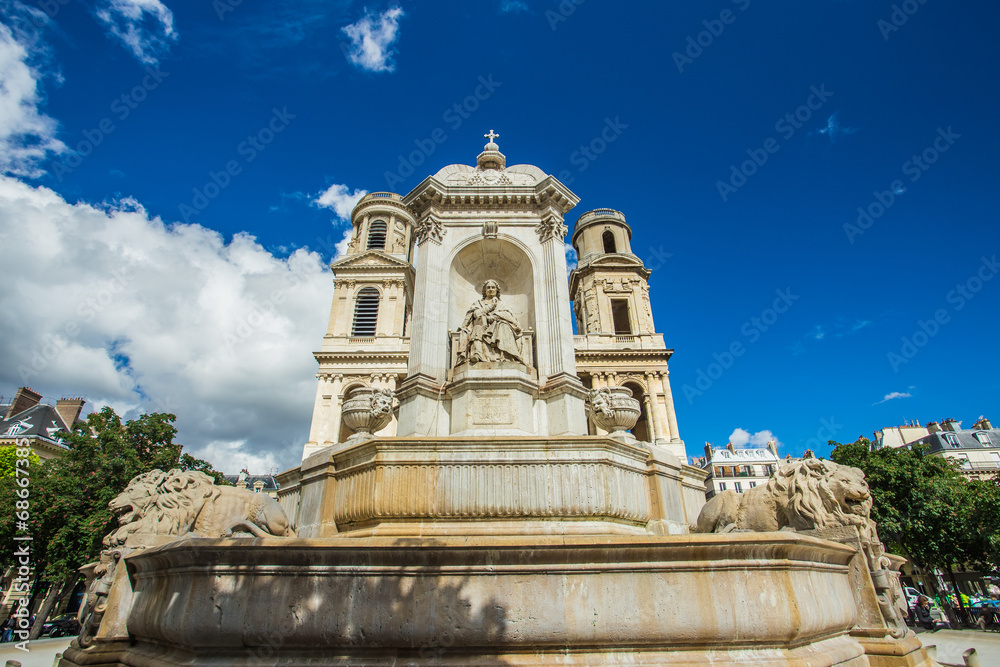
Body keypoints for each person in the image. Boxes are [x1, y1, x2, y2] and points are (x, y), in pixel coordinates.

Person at [459, 279, 526, 365]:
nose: (491, 289)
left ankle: (506, 356)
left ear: (496, 290)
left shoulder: (502, 304)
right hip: (482, 326)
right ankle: (477, 354)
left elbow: (509, 316)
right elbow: (475, 314)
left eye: (493, 287)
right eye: (488, 288)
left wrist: (494, 317)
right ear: (485, 290)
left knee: (504, 325)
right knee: (477, 328)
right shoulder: (478, 303)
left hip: (499, 325)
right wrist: (491, 306)